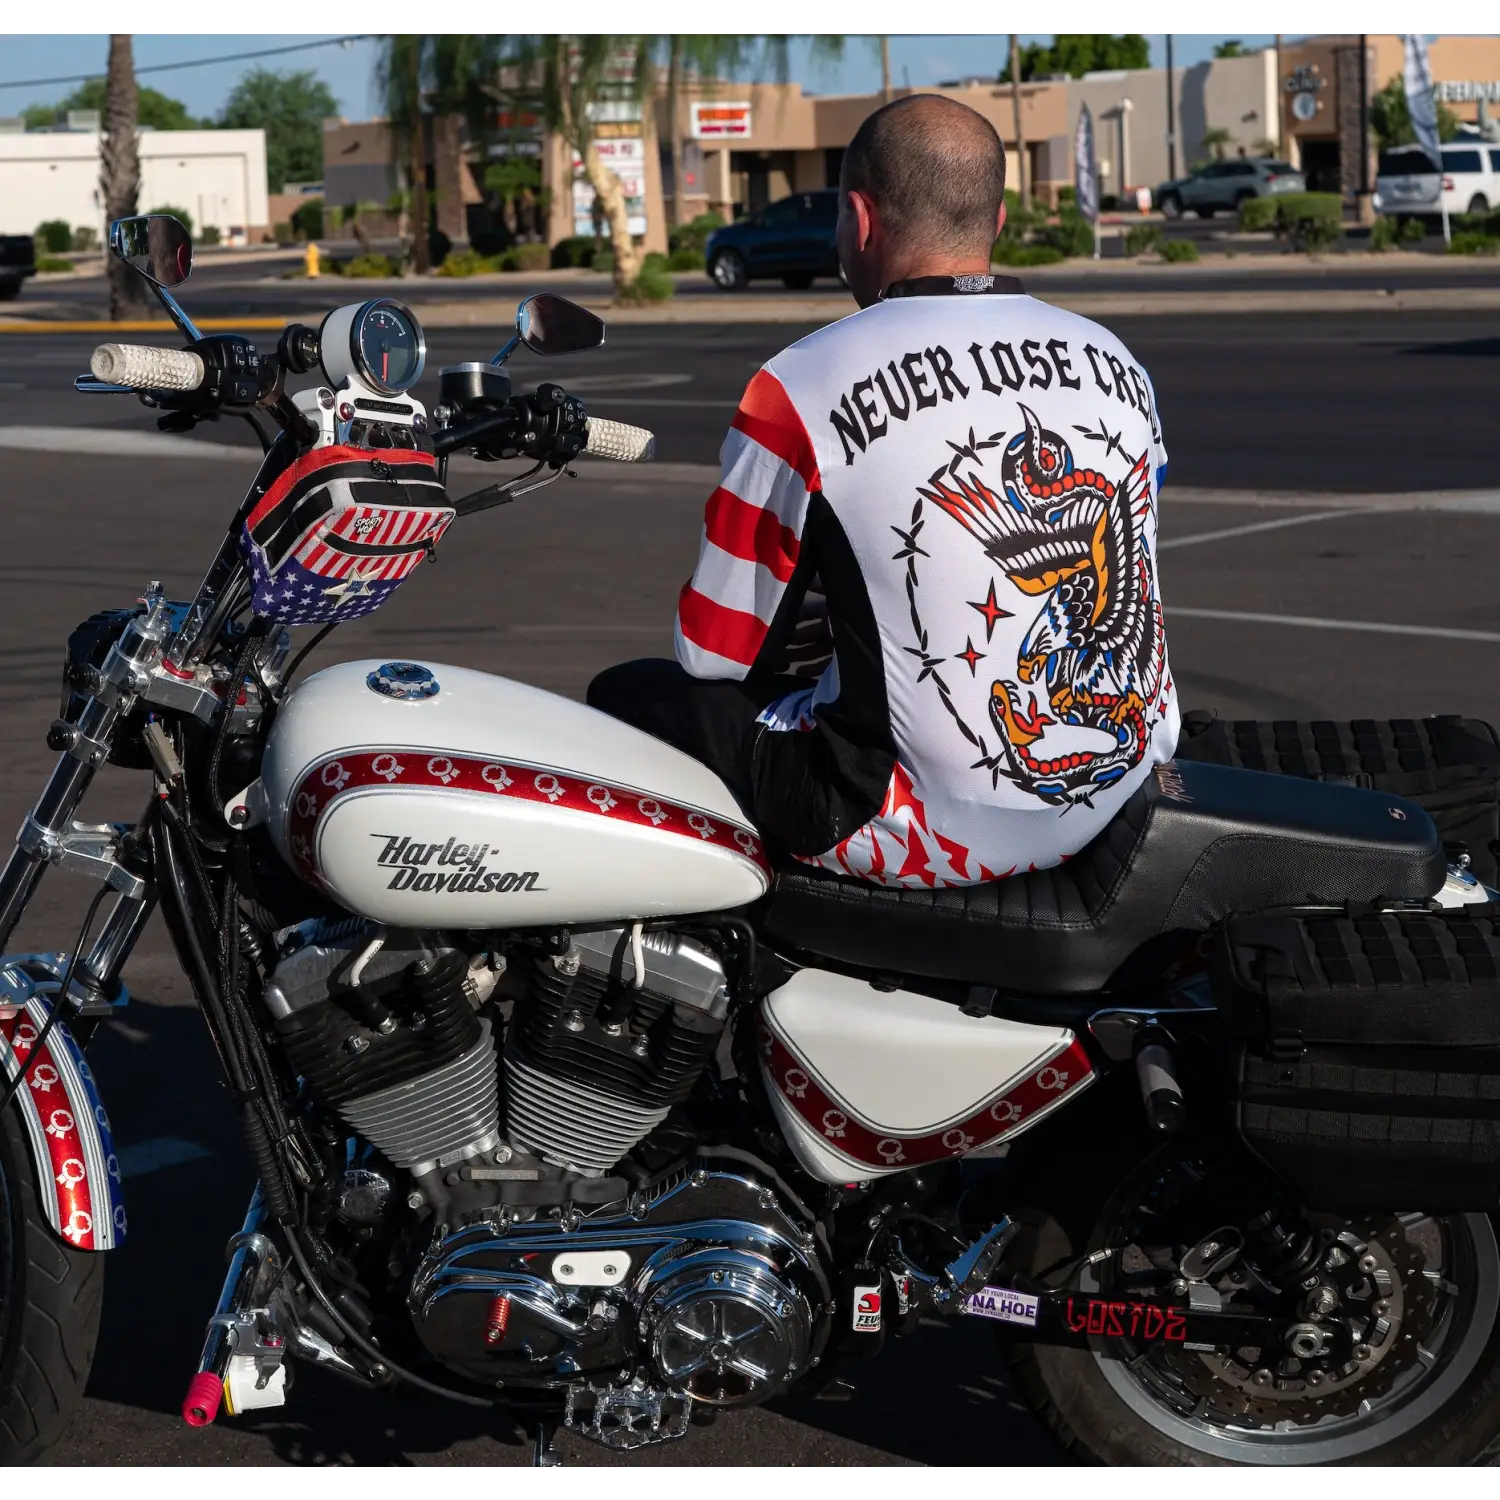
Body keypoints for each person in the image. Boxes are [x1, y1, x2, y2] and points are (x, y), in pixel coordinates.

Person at [588, 94, 1178, 888]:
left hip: (920, 829)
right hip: (1122, 784)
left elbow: (714, 651)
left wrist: (833, 622)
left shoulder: (799, 383)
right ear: (996, 220)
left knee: (631, 692)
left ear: (859, 220)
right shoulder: (1117, 358)